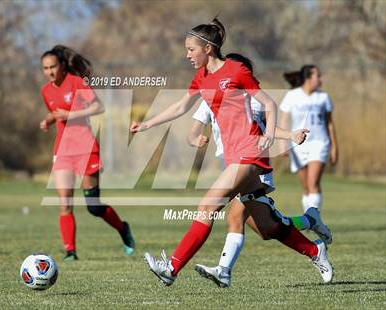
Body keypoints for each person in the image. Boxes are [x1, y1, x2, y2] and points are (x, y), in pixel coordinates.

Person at [130, 17, 333, 286]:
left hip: (250, 153)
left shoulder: (236, 70)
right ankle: (314, 250)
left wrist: (270, 135)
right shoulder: (201, 77)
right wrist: (147, 124)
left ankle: (171, 269)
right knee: (266, 226)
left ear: (208, 49)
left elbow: (269, 104)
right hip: (234, 157)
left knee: (207, 206)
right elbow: (180, 107)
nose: (187, 55)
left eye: (191, 49)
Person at [188, 53, 332, 287]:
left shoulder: (251, 99)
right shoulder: (210, 98)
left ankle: (223, 270)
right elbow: (193, 130)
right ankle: (310, 229)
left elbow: (270, 127)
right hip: (232, 167)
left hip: (254, 166)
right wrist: (195, 139)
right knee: (267, 228)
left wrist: (290, 136)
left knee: (234, 215)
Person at [39, 45, 135, 260]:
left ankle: (123, 228)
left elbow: (98, 107)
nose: (50, 72)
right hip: (62, 151)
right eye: (45, 68)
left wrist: (71, 113)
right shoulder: (46, 90)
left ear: (62, 65)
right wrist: (47, 120)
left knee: (93, 206)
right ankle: (70, 252)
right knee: (65, 203)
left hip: (85, 148)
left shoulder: (77, 82)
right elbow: (55, 112)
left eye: (53, 66)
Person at [280, 65, 338, 213]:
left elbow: (329, 124)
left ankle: (314, 220)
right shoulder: (292, 96)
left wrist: (334, 147)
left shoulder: (323, 97)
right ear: (307, 78)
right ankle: (310, 219)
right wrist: (282, 144)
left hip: (319, 143)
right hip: (298, 144)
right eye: (317, 76)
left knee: (313, 183)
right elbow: (284, 120)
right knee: (306, 186)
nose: (321, 79)